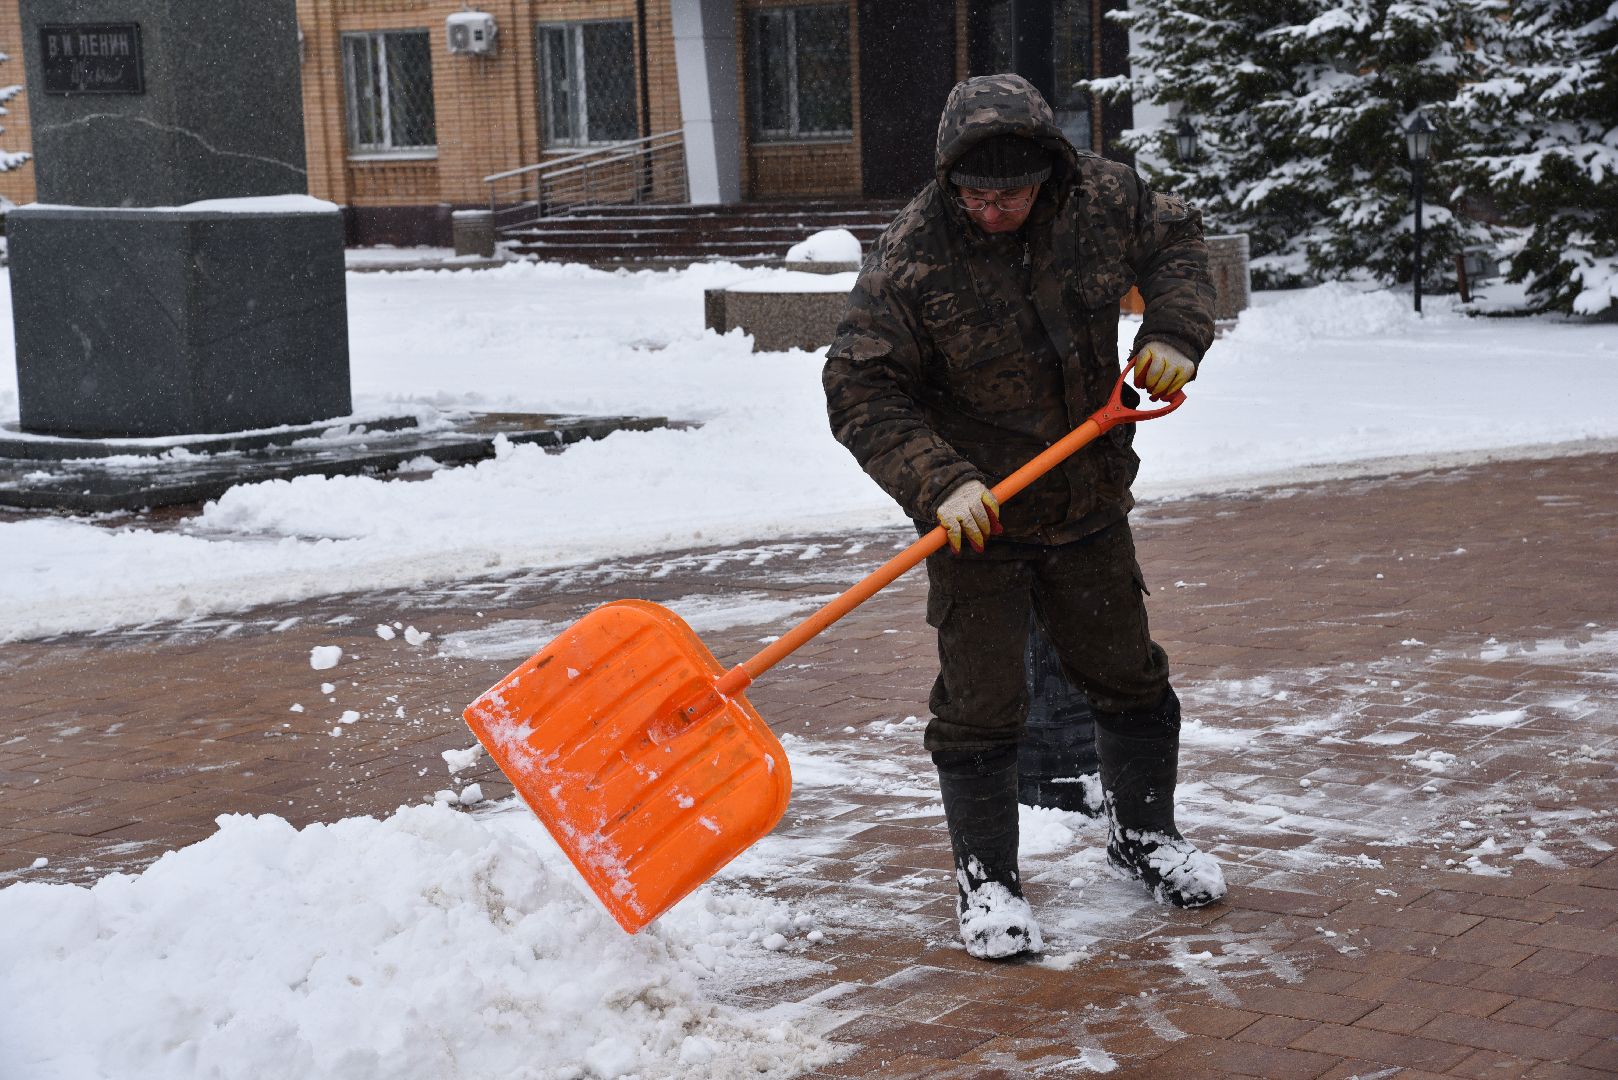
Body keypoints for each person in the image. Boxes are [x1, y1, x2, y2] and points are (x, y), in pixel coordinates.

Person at [822, 73, 1226, 961]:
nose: (994, 209)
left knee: (1131, 680)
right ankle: (989, 885)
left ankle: (1144, 837)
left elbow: (1180, 247)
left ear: (1047, 171)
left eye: (1011, 192)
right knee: (979, 709)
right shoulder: (911, 255)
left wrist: (1175, 332)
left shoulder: (1103, 195)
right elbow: (858, 388)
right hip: (979, 522)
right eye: (975, 193)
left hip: (1087, 499)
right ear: (948, 182)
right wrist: (939, 483)